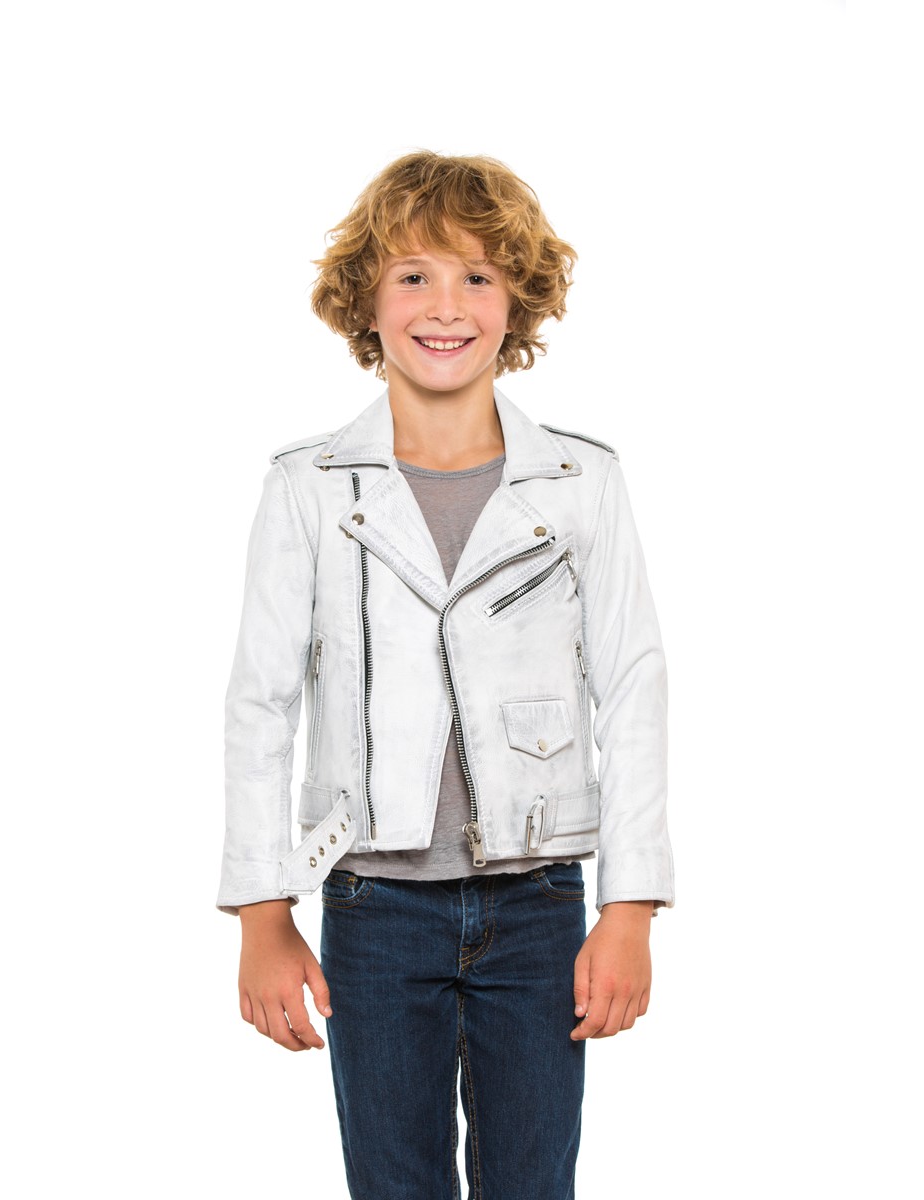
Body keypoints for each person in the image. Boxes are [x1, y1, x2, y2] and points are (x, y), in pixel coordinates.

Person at [217, 151, 675, 1200]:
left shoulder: (581, 482)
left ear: (518, 301)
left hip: (540, 903)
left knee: (532, 1185)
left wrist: (631, 907)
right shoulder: (308, 488)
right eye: (413, 275)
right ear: (364, 299)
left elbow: (633, 686)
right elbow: (259, 704)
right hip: (373, 906)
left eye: (478, 276)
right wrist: (262, 912)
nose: (446, 306)